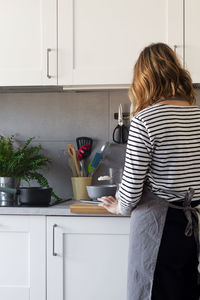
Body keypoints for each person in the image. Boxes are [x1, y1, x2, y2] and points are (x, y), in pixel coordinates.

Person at [98, 43, 200, 300]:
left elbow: (131, 187)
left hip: (158, 229)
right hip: (192, 228)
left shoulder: (146, 119)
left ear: (144, 80)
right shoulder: (197, 115)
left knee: (152, 292)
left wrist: (119, 206)